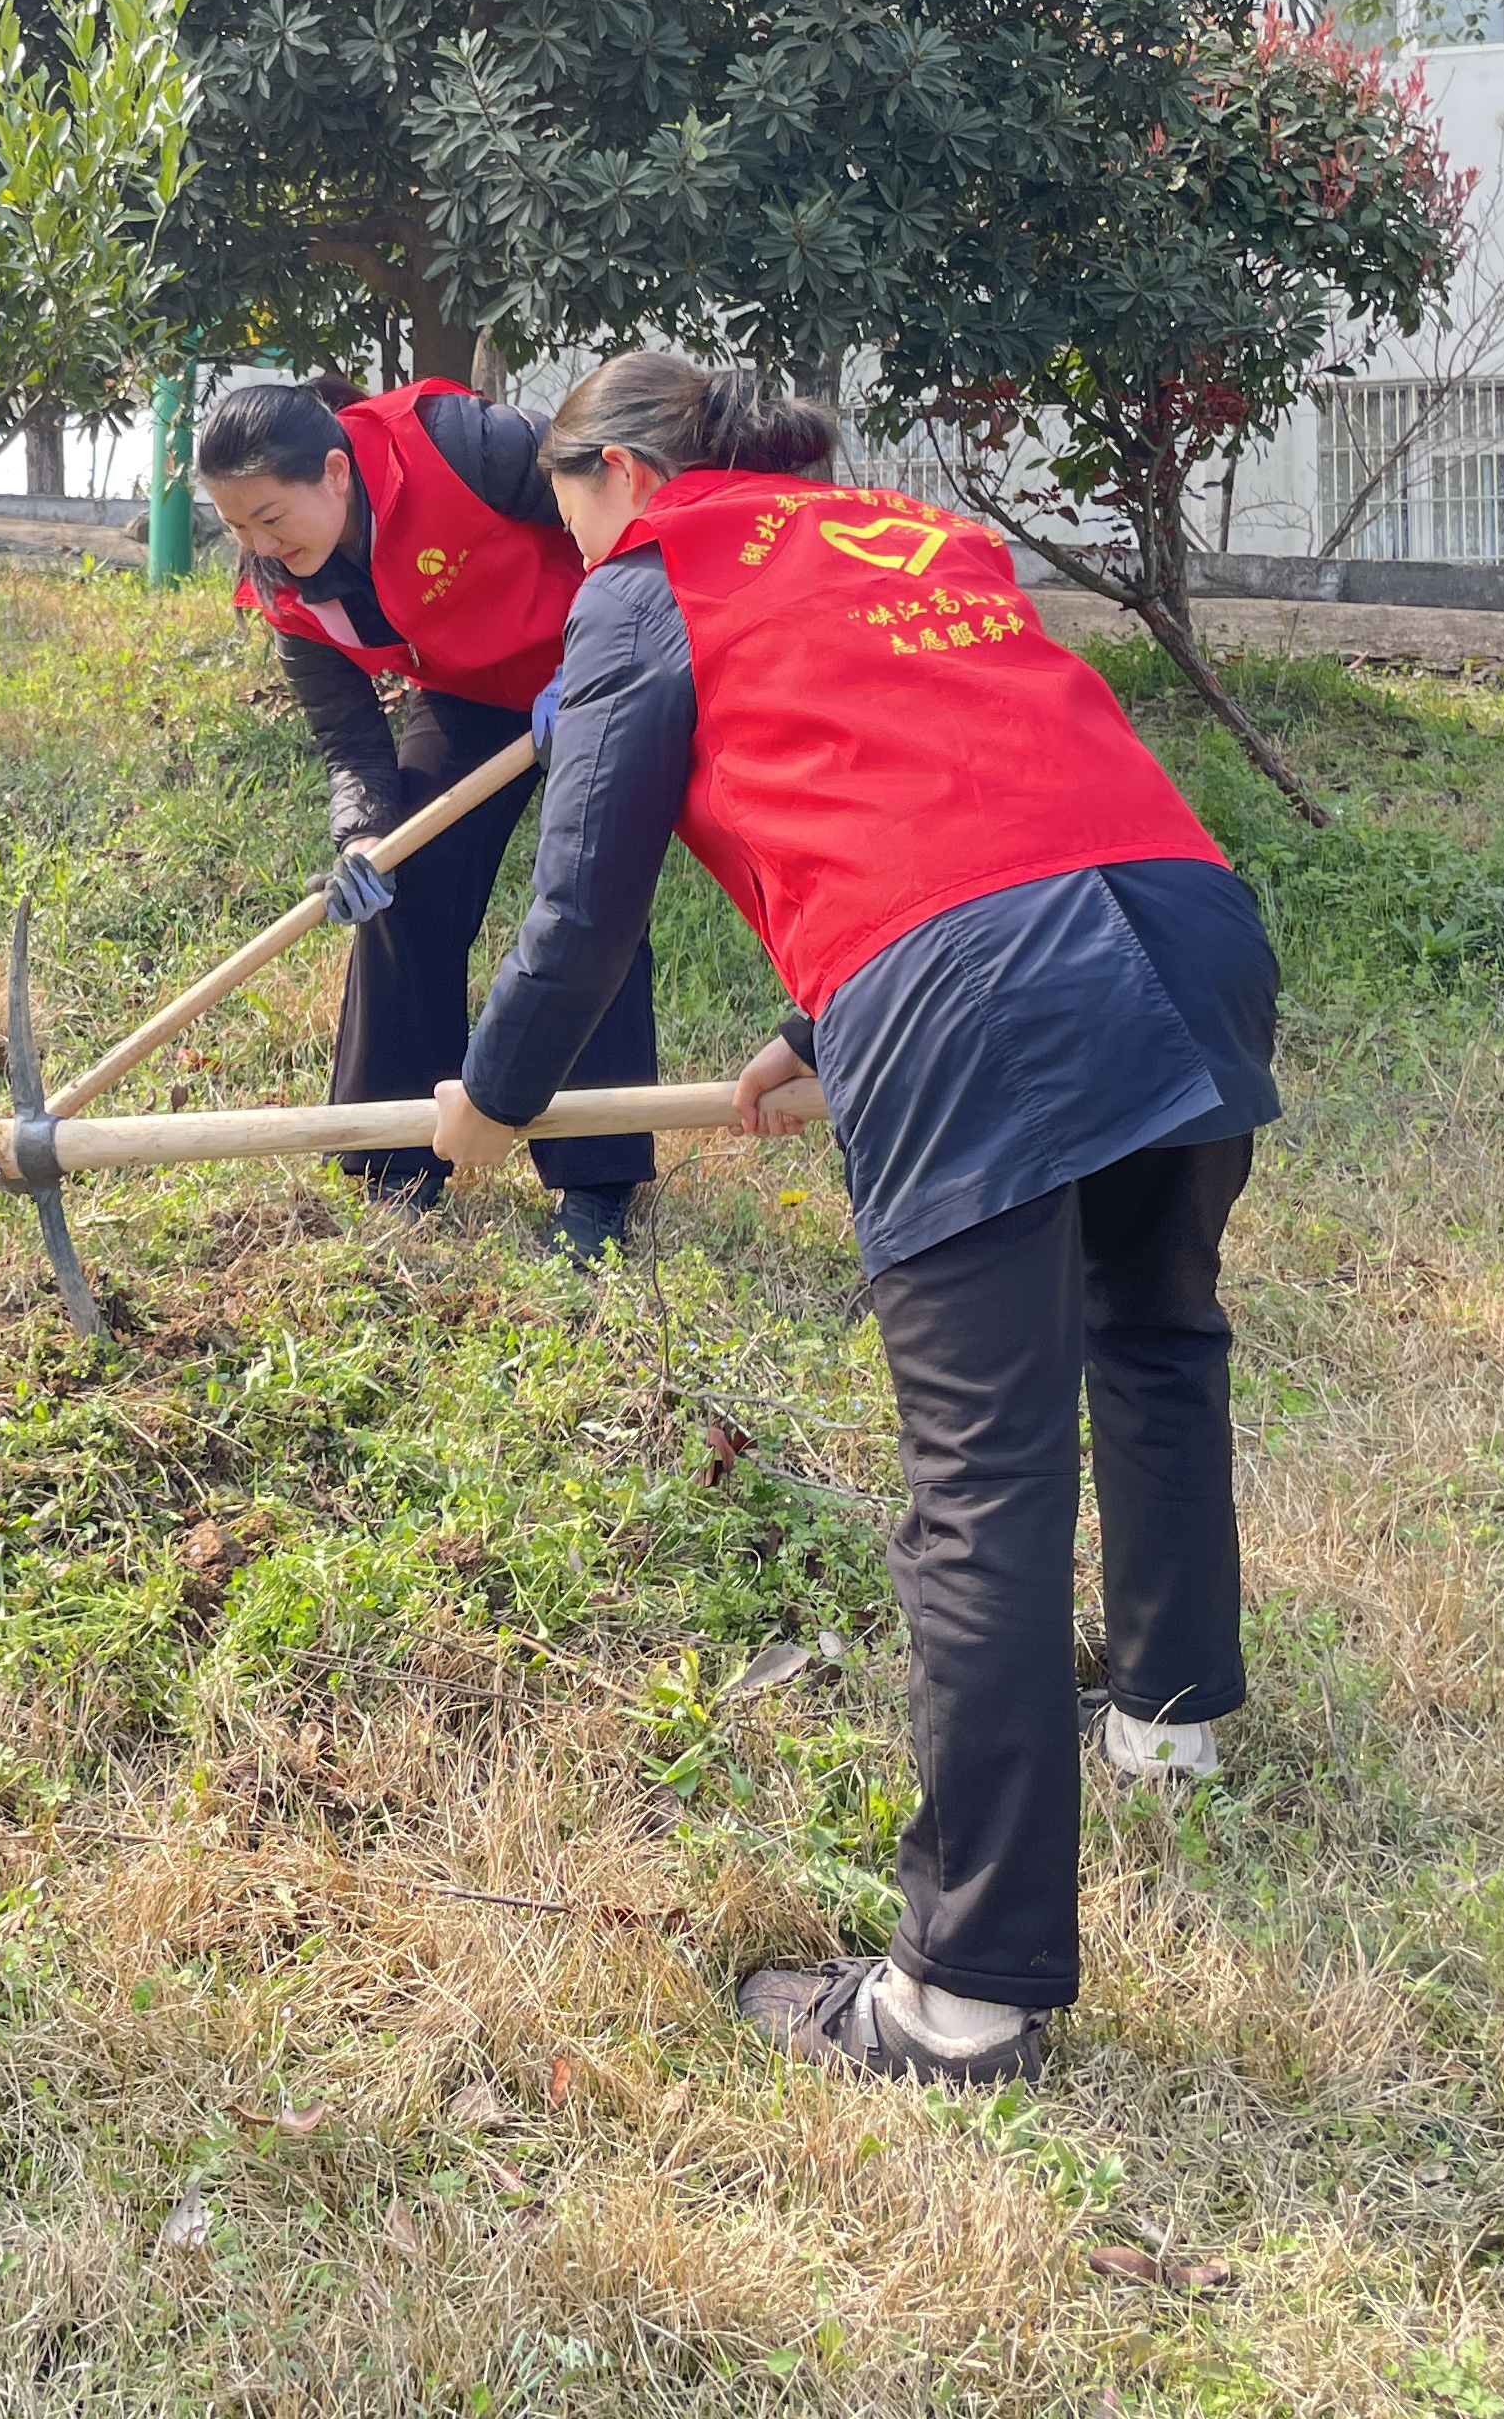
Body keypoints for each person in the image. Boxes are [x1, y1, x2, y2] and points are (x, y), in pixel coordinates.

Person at [428, 354, 1280, 2084]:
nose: (568, 543)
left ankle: (960, 2000)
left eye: (562, 507)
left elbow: (582, 903)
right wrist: (818, 1026)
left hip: (979, 980)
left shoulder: (647, 579)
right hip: (1187, 922)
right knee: (1156, 1335)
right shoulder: (904, 532)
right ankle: (1169, 1720)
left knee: (982, 1484)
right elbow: (958, 762)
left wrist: (491, 1101)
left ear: (611, 474)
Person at [200, 373, 659, 1260]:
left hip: (597, 668)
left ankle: (595, 1185)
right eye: (236, 526)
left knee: (589, 896)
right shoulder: (290, 594)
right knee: (402, 886)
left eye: (271, 517)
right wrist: (362, 835)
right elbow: (350, 738)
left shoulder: (452, 443)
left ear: (335, 472)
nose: (260, 544)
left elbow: (621, 511)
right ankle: (394, 1163)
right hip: (467, 693)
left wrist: (596, 661)